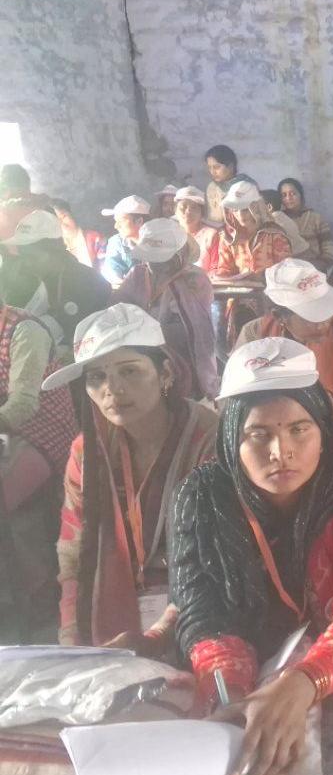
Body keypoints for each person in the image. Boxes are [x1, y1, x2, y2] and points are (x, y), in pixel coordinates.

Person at [171, 337, 333, 775]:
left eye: (299, 429)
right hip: (247, 660)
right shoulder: (201, 497)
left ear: (324, 431)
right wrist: (233, 692)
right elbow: (202, 613)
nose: (281, 452)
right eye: (259, 435)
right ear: (231, 438)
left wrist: (301, 684)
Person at [46, 304, 217, 650]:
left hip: (204, 612)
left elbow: (216, 559)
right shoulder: (87, 451)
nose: (112, 389)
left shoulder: (208, 438)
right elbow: (74, 553)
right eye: (96, 377)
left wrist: (156, 637)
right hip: (118, 612)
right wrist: (71, 639)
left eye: (129, 371)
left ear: (165, 373)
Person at [0, 289, 77, 642]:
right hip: (8, 432)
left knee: (10, 497)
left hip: (43, 431)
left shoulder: (24, 331)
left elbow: (24, 404)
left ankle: (34, 603)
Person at [235, 258, 333, 442]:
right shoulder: (255, 335)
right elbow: (237, 400)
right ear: (280, 317)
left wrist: (331, 448)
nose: (323, 323)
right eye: (312, 317)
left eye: (326, 311)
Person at [113, 218, 219, 400]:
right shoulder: (137, 275)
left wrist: (146, 332)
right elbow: (116, 309)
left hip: (182, 358)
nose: (154, 264)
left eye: (161, 259)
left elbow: (198, 332)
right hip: (140, 355)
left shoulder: (194, 281)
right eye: (150, 258)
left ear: (179, 254)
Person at [0, 209, 111, 348]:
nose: (26, 264)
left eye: (31, 257)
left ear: (53, 251)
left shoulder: (84, 283)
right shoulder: (47, 278)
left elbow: (56, 334)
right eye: (23, 256)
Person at [215, 180, 291, 280]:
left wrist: (260, 277)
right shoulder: (228, 238)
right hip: (239, 289)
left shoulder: (274, 235)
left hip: (272, 288)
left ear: (256, 208)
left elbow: (286, 271)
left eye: (245, 209)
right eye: (235, 210)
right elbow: (225, 269)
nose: (240, 215)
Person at [277, 178, 333, 274]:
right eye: (284, 195)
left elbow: (328, 249)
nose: (288, 198)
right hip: (289, 270)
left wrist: (321, 264)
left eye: (293, 194)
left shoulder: (316, 218)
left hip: (315, 267)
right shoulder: (278, 220)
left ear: (300, 195)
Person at [100, 195, 152, 285]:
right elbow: (112, 274)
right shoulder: (116, 243)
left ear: (139, 221)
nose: (116, 226)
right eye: (116, 221)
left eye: (121, 221)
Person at [173, 186, 221, 272]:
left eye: (194, 208)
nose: (188, 212)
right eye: (183, 207)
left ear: (201, 213)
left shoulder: (211, 235)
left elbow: (216, 269)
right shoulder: (170, 236)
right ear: (175, 211)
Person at [204, 145, 256, 225]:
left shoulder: (247, 185)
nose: (212, 172)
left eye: (217, 167)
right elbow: (212, 217)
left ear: (231, 166)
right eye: (209, 167)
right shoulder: (212, 187)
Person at [51, 199, 105, 271]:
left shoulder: (94, 238)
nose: (62, 224)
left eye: (64, 217)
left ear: (72, 214)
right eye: (55, 221)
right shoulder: (53, 250)